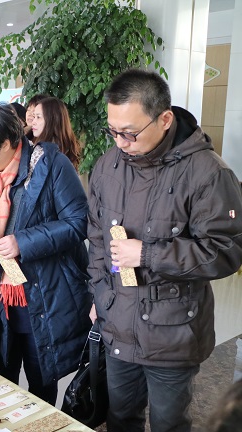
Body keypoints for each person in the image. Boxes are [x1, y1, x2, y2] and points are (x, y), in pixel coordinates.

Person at [88, 69, 242, 432]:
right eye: (112, 131)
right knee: (120, 418)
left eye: (129, 133)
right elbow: (96, 238)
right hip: (118, 321)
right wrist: (99, 293)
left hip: (174, 331)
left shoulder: (208, 172)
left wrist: (147, 255)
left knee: (168, 423)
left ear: (165, 119)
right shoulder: (108, 165)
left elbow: (227, 250)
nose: (120, 142)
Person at [0, 103, 91, 405]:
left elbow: (79, 222)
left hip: (41, 294)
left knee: (40, 380)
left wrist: (23, 242)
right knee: (2, 376)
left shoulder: (50, 165)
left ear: (6, 144)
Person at [31, 96, 81, 169]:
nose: (33, 122)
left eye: (38, 117)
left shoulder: (46, 152)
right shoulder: (67, 147)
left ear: (52, 119)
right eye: (34, 117)